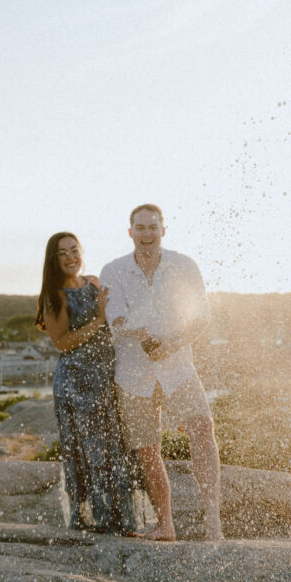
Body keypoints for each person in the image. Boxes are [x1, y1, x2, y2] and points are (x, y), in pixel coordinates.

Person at [100, 204, 223, 542]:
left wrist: (171, 344)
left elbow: (200, 316)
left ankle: (212, 517)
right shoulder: (113, 270)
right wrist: (144, 336)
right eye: (140, 228)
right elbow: (117, 317)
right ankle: (165, 524)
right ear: (130, 233)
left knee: (202, 428)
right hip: (132, 375)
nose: (147, 235)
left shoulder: (184, 266)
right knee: (147, 449)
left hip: (178, 367)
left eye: (153, 228)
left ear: (163, 230)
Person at [36, 232, 138, 534]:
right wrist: (98, 319)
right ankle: (95, 519)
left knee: (116, 448)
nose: (70, 258)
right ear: (53, 260)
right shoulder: (53, 296)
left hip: (106, 380)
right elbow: (63, 344)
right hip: (77, 385)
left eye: (74, 250)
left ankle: (123, 518)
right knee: (88, 452)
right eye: (62, 253)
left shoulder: (94, 283)